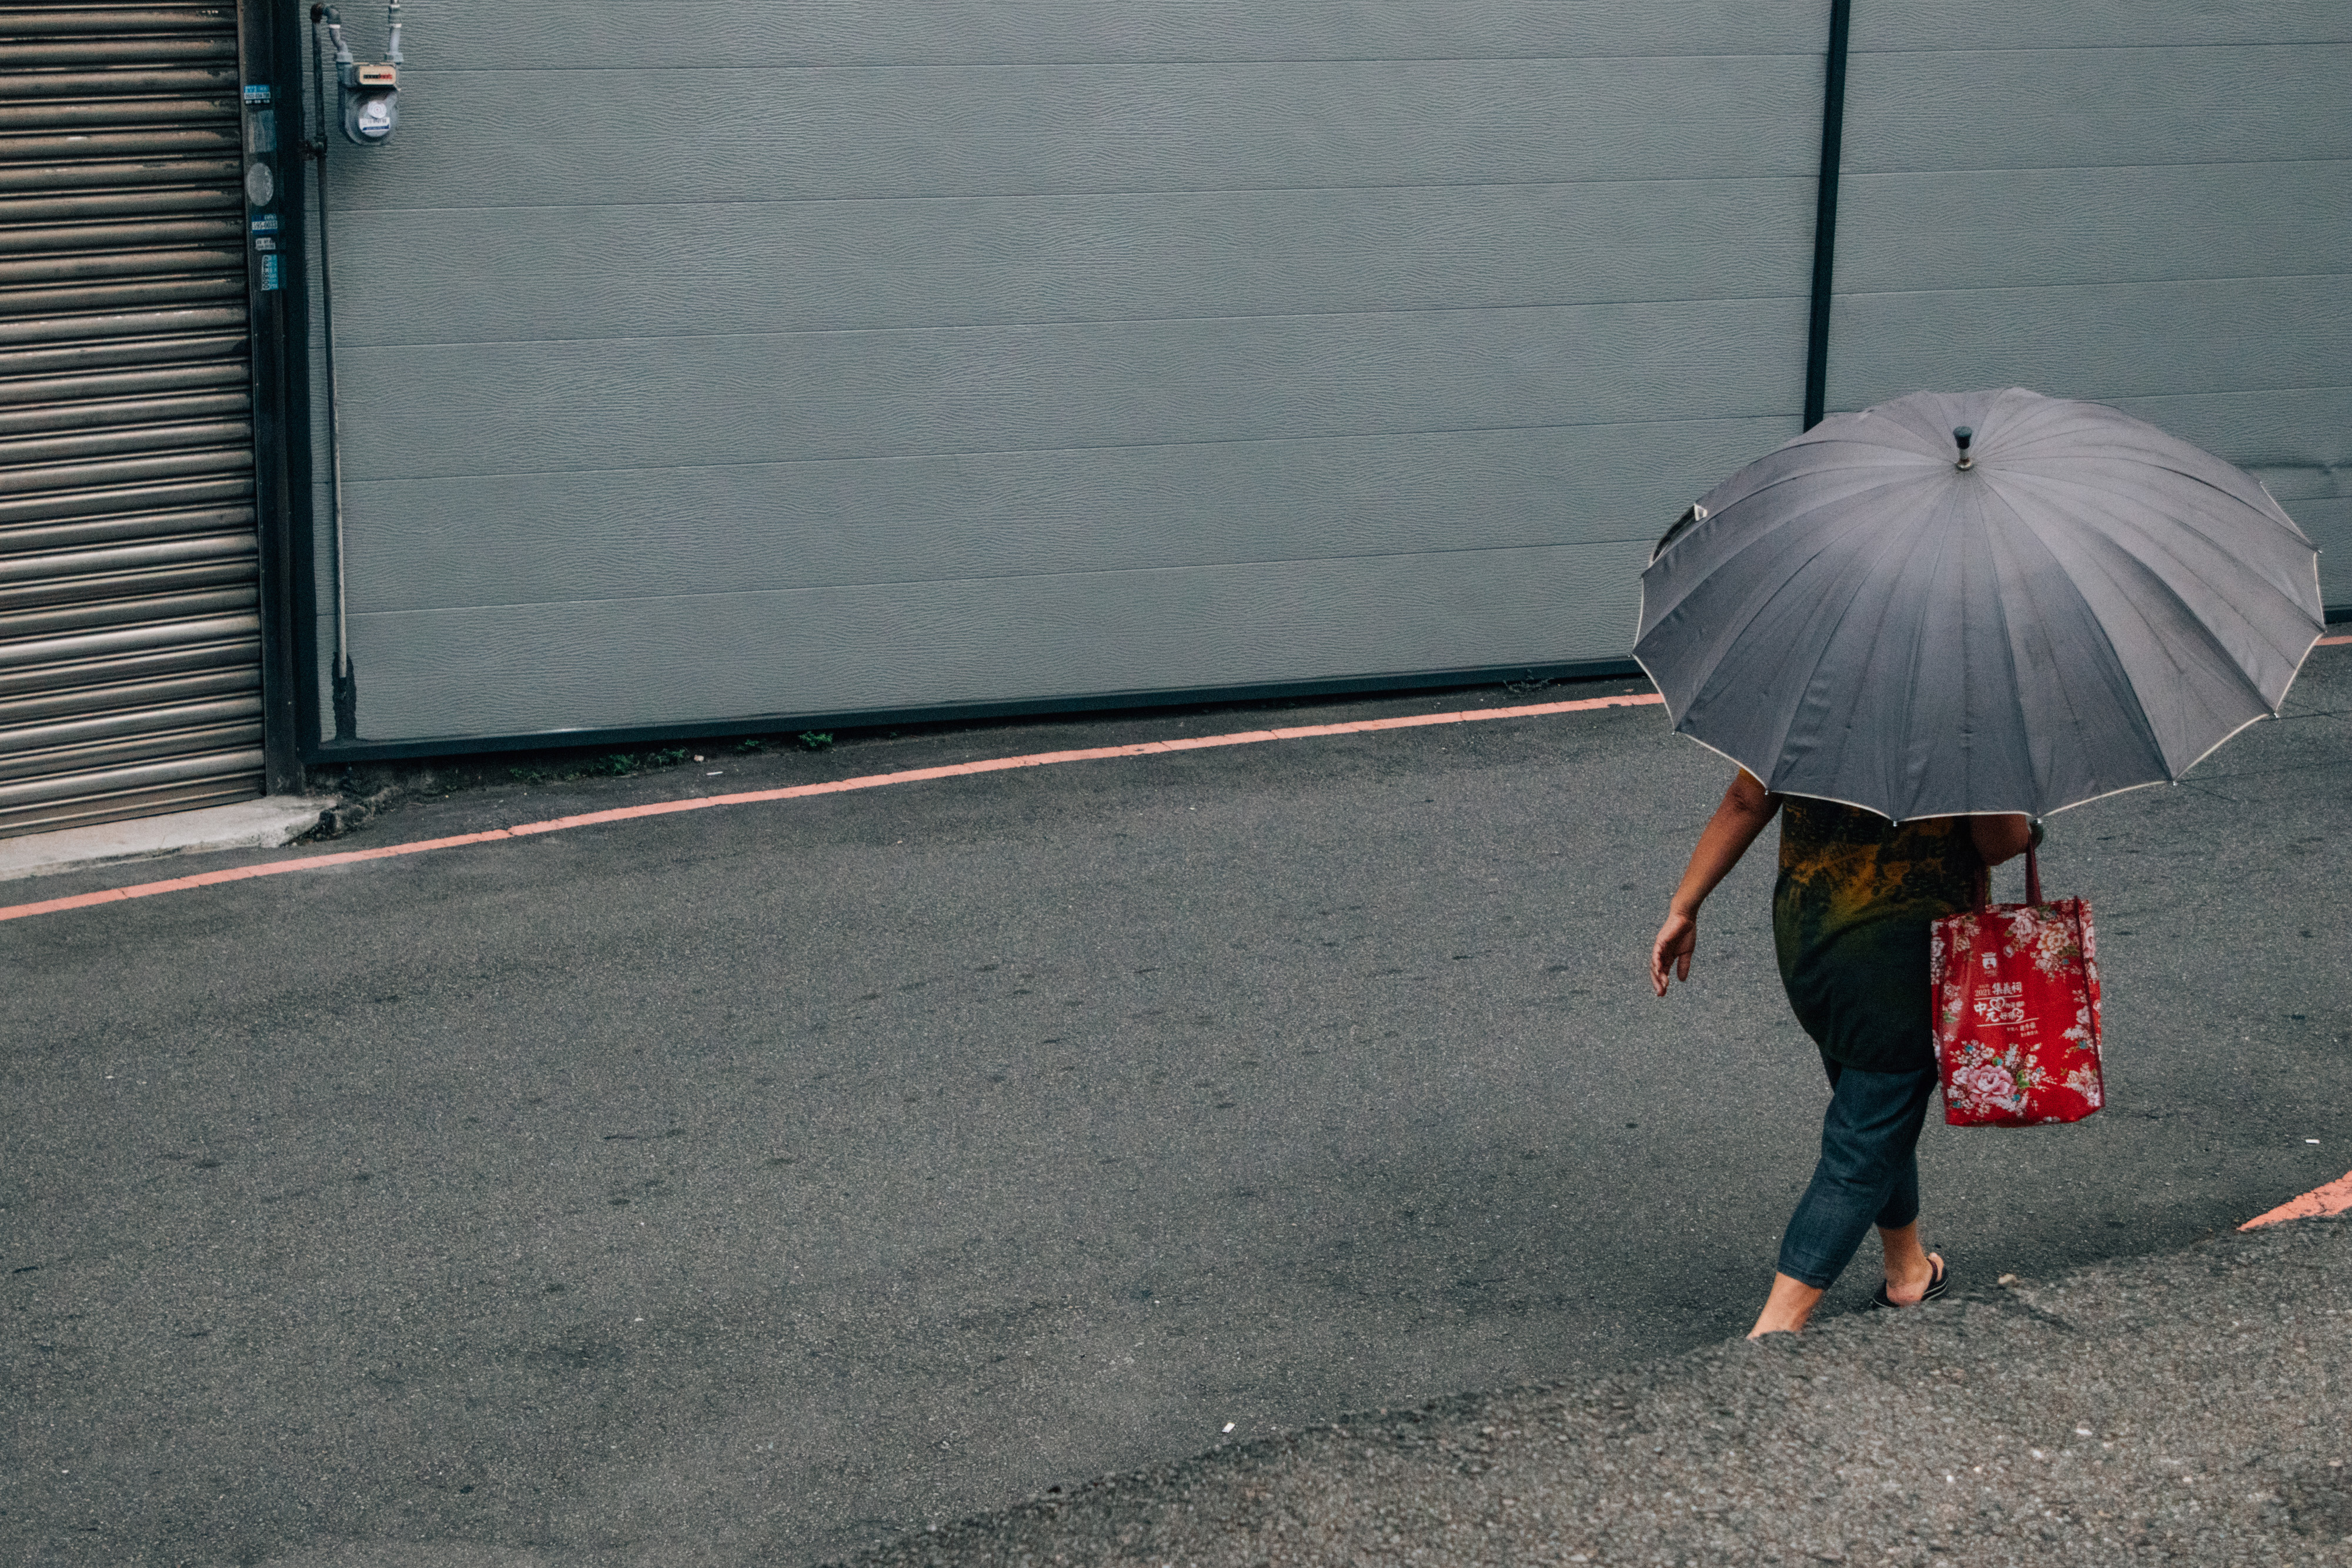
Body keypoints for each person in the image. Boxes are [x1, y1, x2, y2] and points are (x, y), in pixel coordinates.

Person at [1649, 769, 2034, 1339]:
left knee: (1872, 1098)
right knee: (1866, 1133)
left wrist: (1685, 904)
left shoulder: (1809, 688)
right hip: (1901, 961)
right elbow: (1997, 843)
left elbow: (1744, 801)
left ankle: (1907, 1270)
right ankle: (1773, 1334)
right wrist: (2028, 828)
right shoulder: (1961, 710)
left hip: (1812, 944)